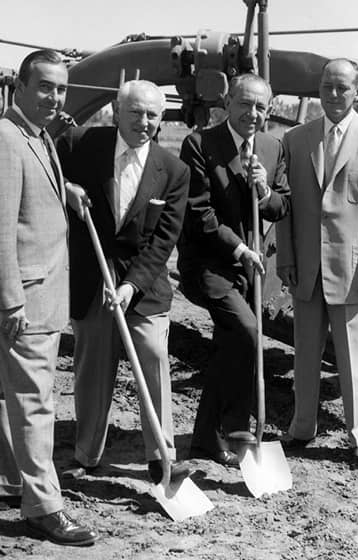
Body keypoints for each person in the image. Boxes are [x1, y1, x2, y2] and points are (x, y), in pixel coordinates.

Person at [57, 80, 190, 484]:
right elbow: (45, 168)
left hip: (144, 286)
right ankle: (87, 452)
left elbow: (164, 239)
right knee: (93, 367)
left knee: (152, 353)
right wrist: (66, 189)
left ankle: (161, 457)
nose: (144, 121)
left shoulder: (173, 170)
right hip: (92, 276)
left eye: (152, 114)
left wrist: (131, 285)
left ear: (162, 118)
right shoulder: (79, 143)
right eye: (135, 112)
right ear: (117, 111)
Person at [0, 50, 97, 545]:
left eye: (61, 89)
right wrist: (11, 299)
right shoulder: (6, 139)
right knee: (35, 401)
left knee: (9, 395)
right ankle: (43, 508)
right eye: (45, 87)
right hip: (26, 298)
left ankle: (12, 479)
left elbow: (28, 199)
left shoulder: (37, 135)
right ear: (20, 86)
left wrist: (66, 188)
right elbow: (0, 226)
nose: (55, 98)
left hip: (38, 290)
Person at [177, 73, 290, 466]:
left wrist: (263, 190)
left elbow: (281, 207)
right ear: (227, 103)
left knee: (229, 343)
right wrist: (240, 248)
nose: (253, 113)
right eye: (245, 104)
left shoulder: (273, 148)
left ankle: (206, 437)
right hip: (208, 264)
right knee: (246, 331)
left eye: (261, 106)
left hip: (249, 272)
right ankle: (238, 426)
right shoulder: (200, 144)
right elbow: (199, 213)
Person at [276, 58, 358, 468]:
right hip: (306, 266)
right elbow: (285, 205)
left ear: (357, 92)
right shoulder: (296, 139)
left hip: (354, 268)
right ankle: (302, 428)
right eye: (326, 87)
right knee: (305, 353)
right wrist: (286, 257)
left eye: (341, 88)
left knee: (357, 356)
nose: (333, 95)